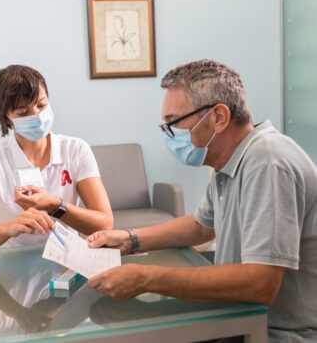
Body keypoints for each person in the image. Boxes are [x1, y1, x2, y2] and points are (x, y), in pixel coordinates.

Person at [86, 60, 317, 343]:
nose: (170, 134)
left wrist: (145, 279)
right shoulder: (229, 161)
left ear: (218, 117)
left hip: (278, 333)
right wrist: (128, 239)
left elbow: (261, 283)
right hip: (239, 320)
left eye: (173, 123)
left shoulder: (267, 162)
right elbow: (200, 226)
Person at [0, 65, 113, 255]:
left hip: (67, 260)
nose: (36, 116)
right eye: (22, 112)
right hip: (11, 264)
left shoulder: (76, 149)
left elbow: (104, 224)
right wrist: (9, 228)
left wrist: (54, 205)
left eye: (42, 105)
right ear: (7, 119)